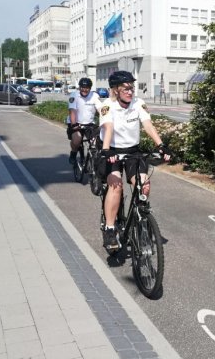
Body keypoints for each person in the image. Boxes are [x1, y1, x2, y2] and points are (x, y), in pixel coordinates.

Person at [99, 69, 170, 252]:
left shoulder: (138, 103)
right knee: (116, 185)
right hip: (113, 151)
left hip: (133, 151)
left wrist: (161, 146)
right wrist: (106, 150)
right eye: (126, 88)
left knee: (144, 185)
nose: (130, 91)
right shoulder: (107, 105)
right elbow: (108, 127)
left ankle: (140, 218)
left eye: (132, 88)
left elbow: (147, 125)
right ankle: (109, 228)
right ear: (115, 90)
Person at [67, 76, 104, 168]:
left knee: (95, 142)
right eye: (82, 87)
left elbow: (101, 110)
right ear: (79, 87)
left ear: (90, 88)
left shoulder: (95, 96)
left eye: (87, 88)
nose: (84, 90)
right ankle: (73, 153)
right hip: (76, 122)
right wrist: (74, 124)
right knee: (77, 139)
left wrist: (106, 120)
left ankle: (94, 161)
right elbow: (72, 111)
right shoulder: (74, 96)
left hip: (89, 123)